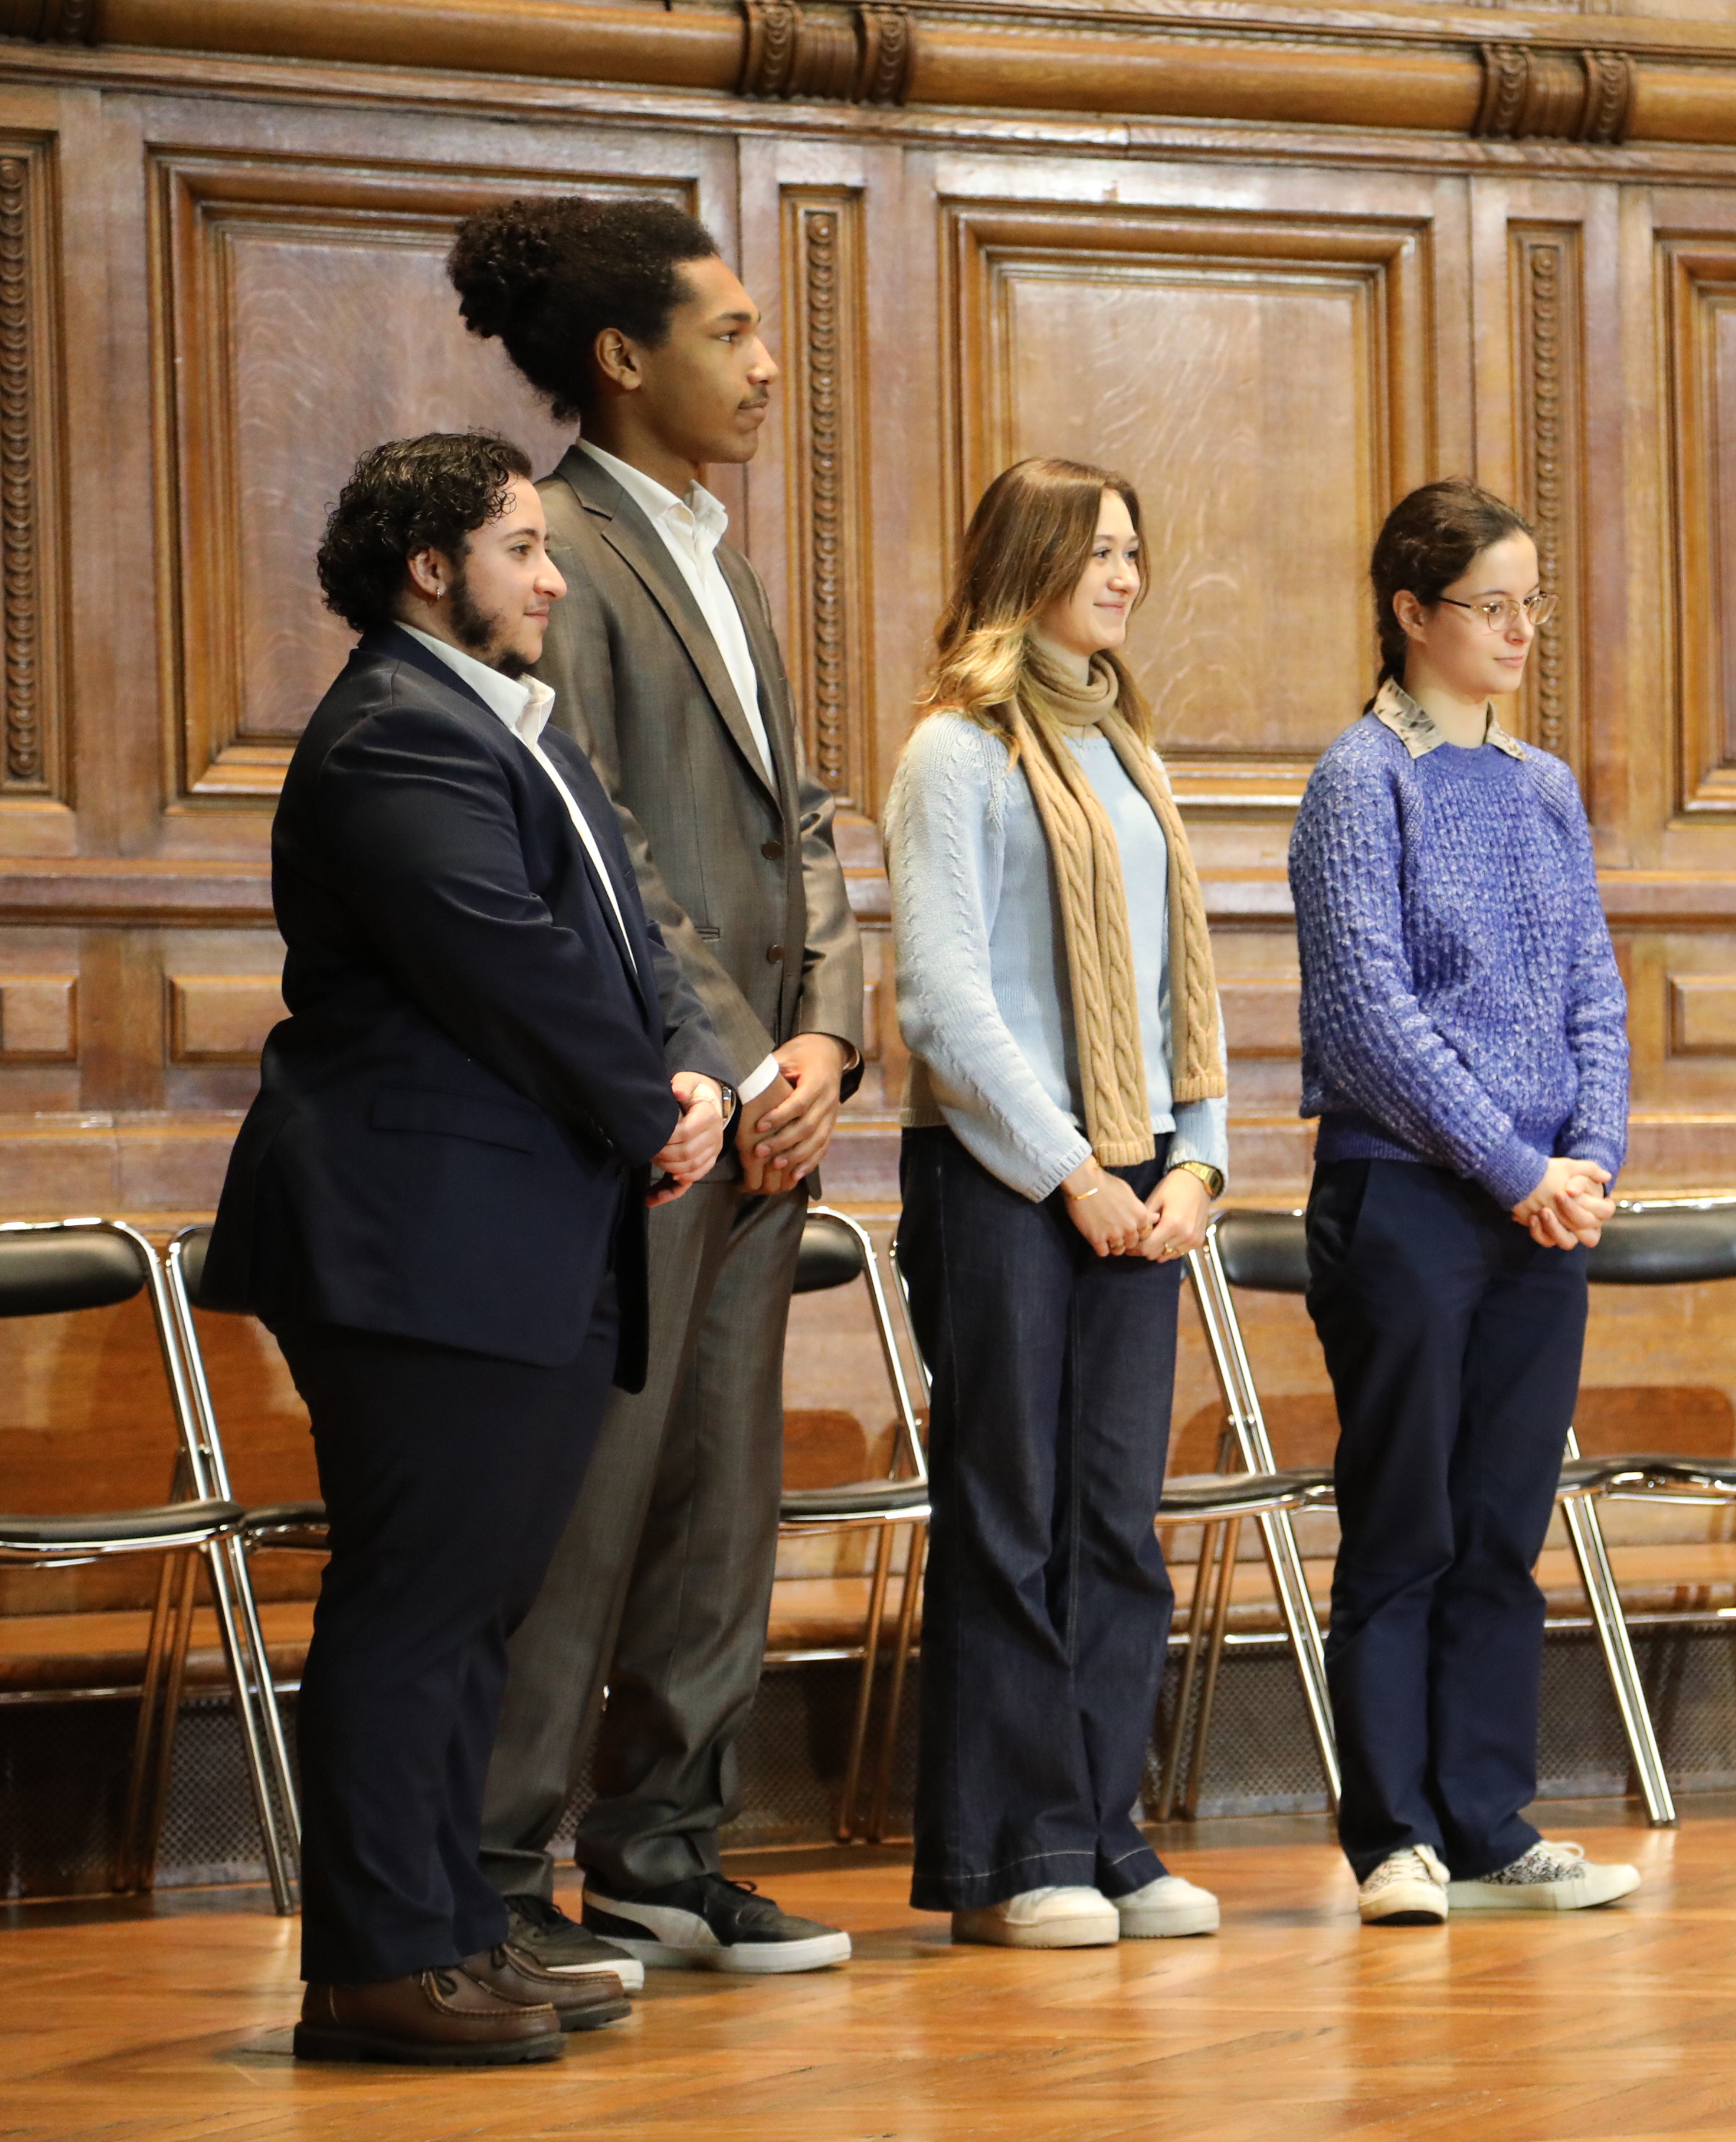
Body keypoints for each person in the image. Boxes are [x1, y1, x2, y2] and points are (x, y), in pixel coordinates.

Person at [199, 433, 731, 2062]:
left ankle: (449, 1926)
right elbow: (504, 962)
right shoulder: (395, 735)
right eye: (521, 547)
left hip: (513, 1228)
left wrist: (689, 1067)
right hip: (418, 1234)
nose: (552, 575)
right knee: (417, 1607)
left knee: (473, 1607)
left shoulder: (505, 724)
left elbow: (618, 940)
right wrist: (653, 1103)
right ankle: (375, 1961)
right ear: (432, 568)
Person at [446, 196, 865, 1980]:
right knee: (595, 1502)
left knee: (720, 1494)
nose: (768, 365)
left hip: (770, 1106)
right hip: (654, 1119)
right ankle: (485, 1875)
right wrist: (737, 1057)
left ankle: (664, 1853)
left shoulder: (718, 549)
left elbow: (806, 830)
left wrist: (833, 1033)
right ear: (625, 359)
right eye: (734, 331)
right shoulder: (570, 548)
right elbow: (601, 839)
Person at [885, 458, 1231, 1949]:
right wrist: (1073, 1170)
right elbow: (945, 1001)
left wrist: (1197, 1155)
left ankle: (1107, 1831)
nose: (1127, 575)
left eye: (1136, 552)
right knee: (1007, 1516)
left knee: (1114, 1523)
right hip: (1006, 1176)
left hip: (1141, 1171)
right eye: (1099, 550)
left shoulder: (1127, 748)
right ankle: (1014, 1853)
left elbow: (1175, 986)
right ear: (1025, 558)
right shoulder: (954, 752)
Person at [1288, 478, 1634, 1928]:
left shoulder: (1544, 786)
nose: (1518, 629)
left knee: (1504, 1521)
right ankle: (1392, 1833)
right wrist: (1513, 1165)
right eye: (1490, 606)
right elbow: (1369, 1013)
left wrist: (1591, 1154)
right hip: (1410, 1199)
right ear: (1411, 613)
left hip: (1542, 1207)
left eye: (1532, 603)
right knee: (1406, 1520)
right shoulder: (1359, 780)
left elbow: (1592, 989)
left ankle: (1488, 1818)